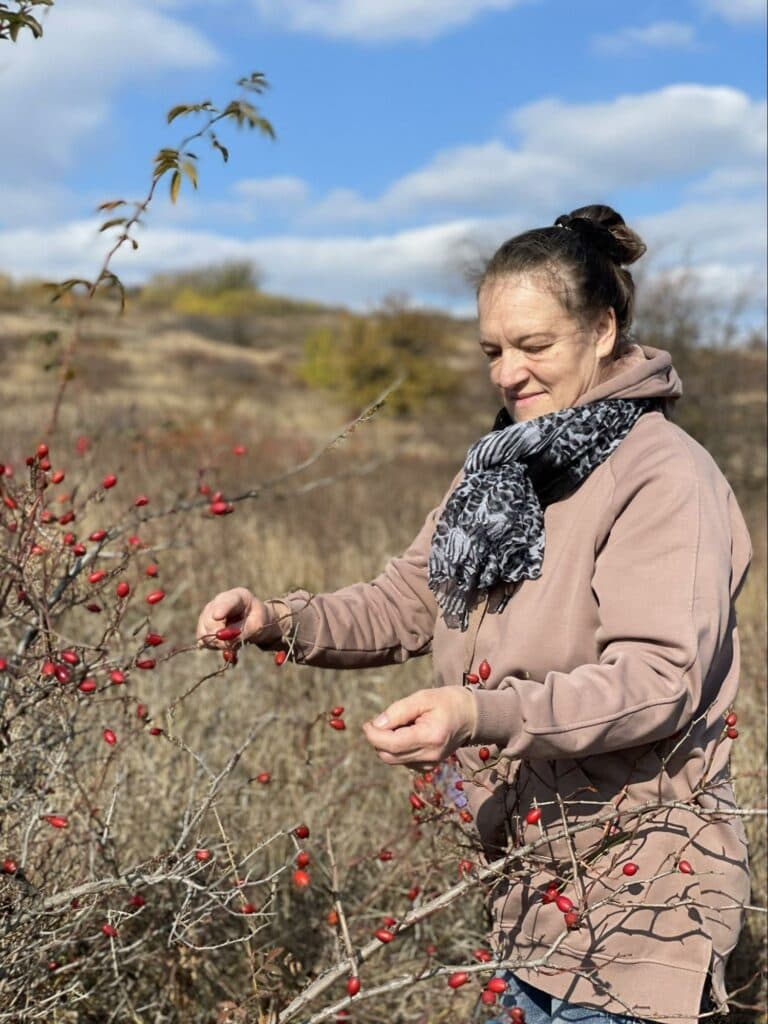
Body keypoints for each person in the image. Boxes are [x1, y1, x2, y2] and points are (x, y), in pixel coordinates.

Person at [196, 204, 752, 1024]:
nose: (507, 373)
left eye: (535, 346)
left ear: (602, 331)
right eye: (493, 350)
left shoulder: (663, 476)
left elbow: (658, 680)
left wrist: (477, 712)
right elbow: (406, 601)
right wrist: (277, 619)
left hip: (642, 905)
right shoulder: (503, 468)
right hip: (526, 885)